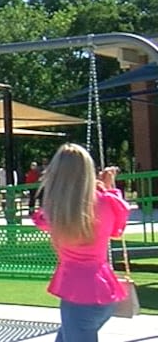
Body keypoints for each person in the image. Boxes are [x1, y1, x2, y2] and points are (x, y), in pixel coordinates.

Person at [33, 143, 129, 341]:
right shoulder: (105, 202)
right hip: (103, 290)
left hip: (76, 294)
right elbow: (115, 228)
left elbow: (42, 220)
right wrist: (108, 188)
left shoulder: (55, 211)